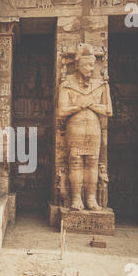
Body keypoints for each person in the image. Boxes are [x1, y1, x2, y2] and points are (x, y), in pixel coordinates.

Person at [57, 44, 112, 211]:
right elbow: (61, 111)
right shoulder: (66, 85)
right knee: (75, 163)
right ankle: (75, 198)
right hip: (75, 130)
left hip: (94, 130)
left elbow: (108, 110)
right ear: (78, 65)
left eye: (93, 64)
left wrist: (91, 105)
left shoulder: (101, 84)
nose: (91, 68)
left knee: (93, 164)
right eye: (87, 64)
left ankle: (91, 199)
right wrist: (79, 106)